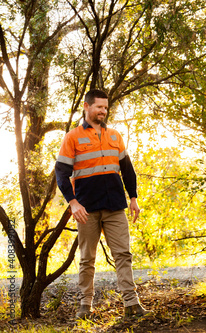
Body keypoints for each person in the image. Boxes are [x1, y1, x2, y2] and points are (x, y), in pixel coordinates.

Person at [55, 89, 149, 319]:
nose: (103, 111)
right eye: (99, 107)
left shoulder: (115, 135)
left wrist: (133, 198)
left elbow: (127, 170)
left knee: (123, 254)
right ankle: (85, 306)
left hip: (115, 205)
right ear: (87, 107)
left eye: (105, 108)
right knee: (87, 258)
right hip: (86, 209)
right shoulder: (73, 137)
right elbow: (61, 173)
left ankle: (131, 303)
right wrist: (73, 203)